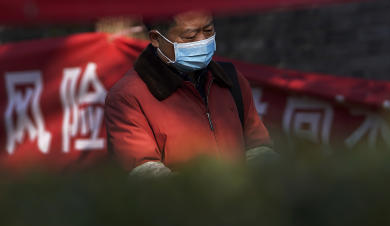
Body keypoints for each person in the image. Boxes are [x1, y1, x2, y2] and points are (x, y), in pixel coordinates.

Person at [104, 10, 275, 176]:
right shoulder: (128, 97)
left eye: (208, 31)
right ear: (156, 39)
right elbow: (146, 174)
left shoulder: (229, 79)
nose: (203, 41)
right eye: (190, 36)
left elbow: (259, 147)